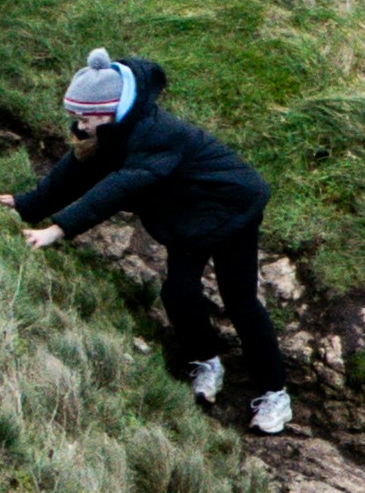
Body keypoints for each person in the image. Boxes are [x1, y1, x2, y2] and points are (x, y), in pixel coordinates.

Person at [15, 53, 290, 438]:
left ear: (111, 110)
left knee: (240, 302)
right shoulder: (115, 126)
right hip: (189, 215)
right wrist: (26, 205)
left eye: (86, 118)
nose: (79, 125)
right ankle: (207, 362)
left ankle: (275, 394)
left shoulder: (156, 133)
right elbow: (75, 170)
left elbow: (116, 189)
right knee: (178, 292)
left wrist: (58, 229)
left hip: (231, 208)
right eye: (76, 116)